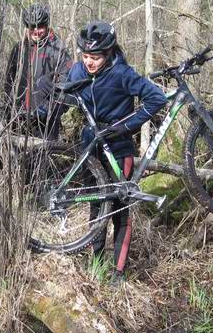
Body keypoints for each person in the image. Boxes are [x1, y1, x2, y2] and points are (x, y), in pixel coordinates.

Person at [67, 20, 167, 284]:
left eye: (95, 57)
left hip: (119, 148)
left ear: (109, 53)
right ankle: (96, 264)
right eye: (86, 56)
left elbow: (156, 99)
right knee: (95, 207)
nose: (89, 62)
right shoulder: (78, 71)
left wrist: (126, 127)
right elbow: (64, 96)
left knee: (120, 211)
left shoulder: (123, 74)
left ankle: (118, 273)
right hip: (90, 147)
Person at [3, 4, 72, 139]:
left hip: (45, 120)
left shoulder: (58, 49)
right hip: (18, 118)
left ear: (46, 25)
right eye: (31, 27)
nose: (36, 31)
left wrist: (49, 109)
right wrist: (8, 106)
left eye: (39, 26)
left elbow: (67, 86)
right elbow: (9, 81)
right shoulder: (19, 48)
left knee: (43, 157)